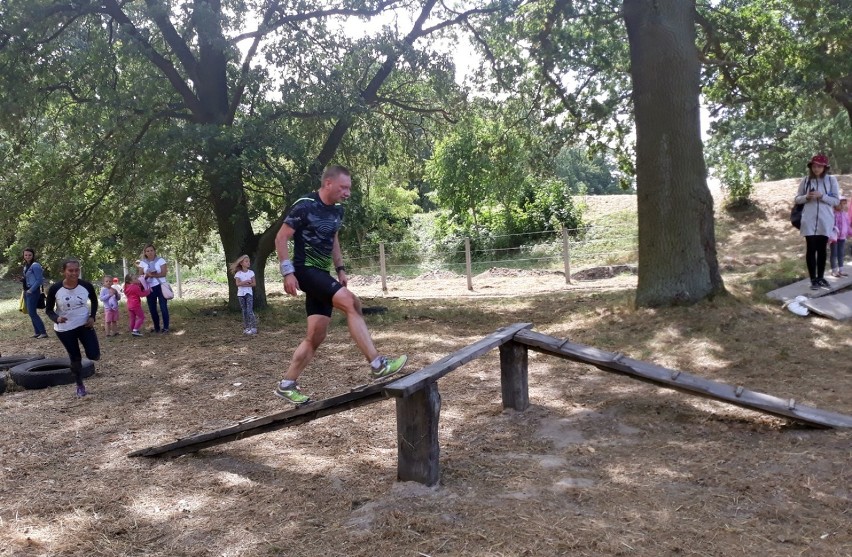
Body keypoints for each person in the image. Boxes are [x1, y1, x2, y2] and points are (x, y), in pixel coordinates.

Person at [273, 165, 407, 404]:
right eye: (343, 187)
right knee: (350, 302)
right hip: (305, 270)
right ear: (328, 184)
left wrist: (341, 269)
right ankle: (377, 364)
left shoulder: (337, 212)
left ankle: (287, 384)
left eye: (349, 188)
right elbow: (281, 237)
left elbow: (333, 239)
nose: (347, 192)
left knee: (316, 336)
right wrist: (288, 273)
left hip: (322, 273)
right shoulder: (304, 205)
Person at [44, 259, 101, 397]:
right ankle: (79, 385)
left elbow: (94, 300)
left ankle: (86, 362)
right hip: (65, 329)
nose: (74, 273)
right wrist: (56, 318)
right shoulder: (55, 289)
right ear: (64, 271)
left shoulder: (86, 286)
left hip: (84, 325)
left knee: (94, 355)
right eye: (70, 270)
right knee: (75, 358)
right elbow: (49, 310)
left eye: (77, 270)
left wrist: (92, 317)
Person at [794, 154, 840, 290]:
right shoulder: (806, 180)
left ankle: (821, 277)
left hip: (825, 220)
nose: (816, 169)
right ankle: (813, 279)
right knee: (811, 248)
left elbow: (836, 201)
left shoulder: (831, 181)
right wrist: (806, 197)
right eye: (814, 166)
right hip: (809, 219)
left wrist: (822, 196)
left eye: (819, 166)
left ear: (825, 167)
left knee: (822, 249)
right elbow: (797, 199)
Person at [137, 244, 170, 333]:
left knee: (163, 307)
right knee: (152, 308)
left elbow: (164, 273)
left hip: (160, 286)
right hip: (149, 287)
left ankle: (166, 327)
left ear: (154, 251)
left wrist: (154, 275)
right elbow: (140, 276)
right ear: (145, 253)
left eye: (151, 250)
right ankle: (157, 327)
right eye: (147, 251)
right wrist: (147, 275)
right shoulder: (142, 263)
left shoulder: (161, 260)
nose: (150, 252)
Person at [21, 248, 49, 339]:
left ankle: (43, 333)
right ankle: (37, 332)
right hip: (26, 291)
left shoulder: (35, 265)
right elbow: (28, 278)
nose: (27, 257)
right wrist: (22, 280)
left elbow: (39, 280)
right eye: (26, 255)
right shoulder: (26, 266)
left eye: (29, 255)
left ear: (33, 255)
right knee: (30, 312)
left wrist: (31, 290)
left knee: (32, 313)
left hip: (32, 292)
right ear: (23, 256)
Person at [229, 255, 258, 335]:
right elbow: (238, 284)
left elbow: (254, 284)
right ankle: (246, 327)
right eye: (246, 261)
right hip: (241, 294)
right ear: (241, 263)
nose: (248, 263)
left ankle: (253, 327)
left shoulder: (251, 273)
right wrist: (246, 282)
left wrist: (245, 285)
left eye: (249, 261)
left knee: (249, 310)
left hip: (249, 293)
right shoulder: (238, 274)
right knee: (244, 311)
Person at [830, 197, 850, 277]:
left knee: (841, 253)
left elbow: (847, 225)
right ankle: (834, 270)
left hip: (842, 237)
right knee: (834, 253)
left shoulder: (845, 214)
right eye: (842, 204)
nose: (844, 206)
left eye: (845, 204)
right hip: (834, 237)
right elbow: (831, 225)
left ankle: (841, 270)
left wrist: (848, 233)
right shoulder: (833, 213)